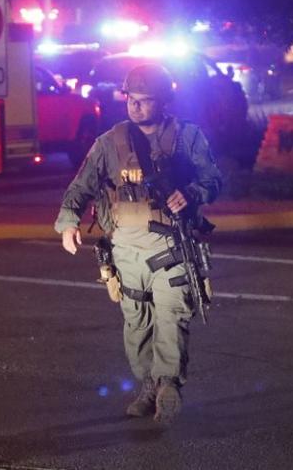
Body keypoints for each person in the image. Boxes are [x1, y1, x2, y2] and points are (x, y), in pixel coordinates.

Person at [54, 63, 222, 425]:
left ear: (162, 101)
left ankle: (168, 385)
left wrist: (191, 194)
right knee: (137, 323)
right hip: (124, 251)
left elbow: (213, 179)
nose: (137, 107)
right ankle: (148, 385)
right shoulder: (109, 143)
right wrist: (69, 220)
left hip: (172, 249)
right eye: (132, 99)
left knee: (172, 316)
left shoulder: (186, 136)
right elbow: (82, 185)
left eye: (146, 101)